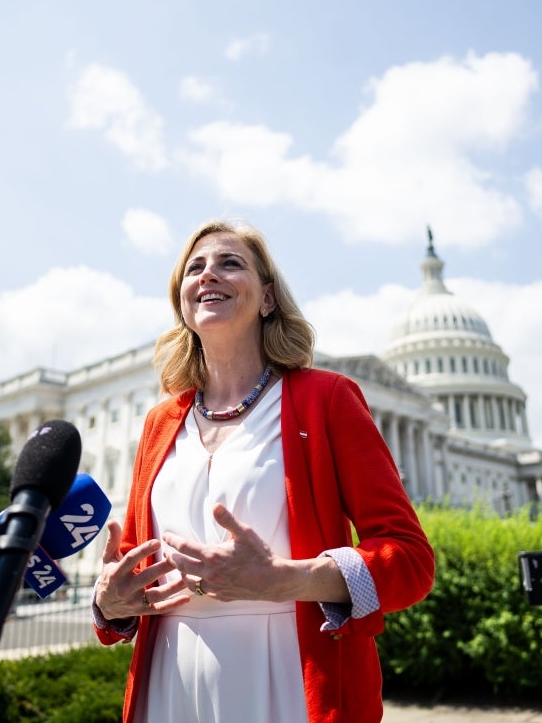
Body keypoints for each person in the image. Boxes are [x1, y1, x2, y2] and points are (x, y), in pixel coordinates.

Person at [92, 220, 435, 723]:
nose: (209, 274)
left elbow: (410, 561)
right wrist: (110, 601)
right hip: (168, 686)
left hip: (287, 681)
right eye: (195, 268)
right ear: (183, 302)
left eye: (231, 263)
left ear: (268, 298)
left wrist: (286, 580)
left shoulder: (326, 400)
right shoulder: (160, 422)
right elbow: (137, 575)